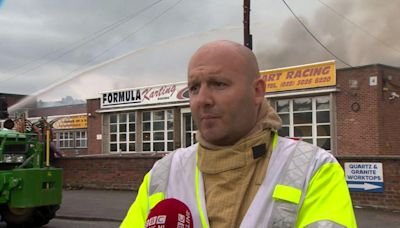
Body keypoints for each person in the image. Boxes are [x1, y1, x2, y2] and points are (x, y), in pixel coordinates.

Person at [121, 40, 357, 228]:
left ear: (257, 91)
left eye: (219, 84)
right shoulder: (163, 174)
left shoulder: (313, 169)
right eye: (194, 88)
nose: (202, 100)